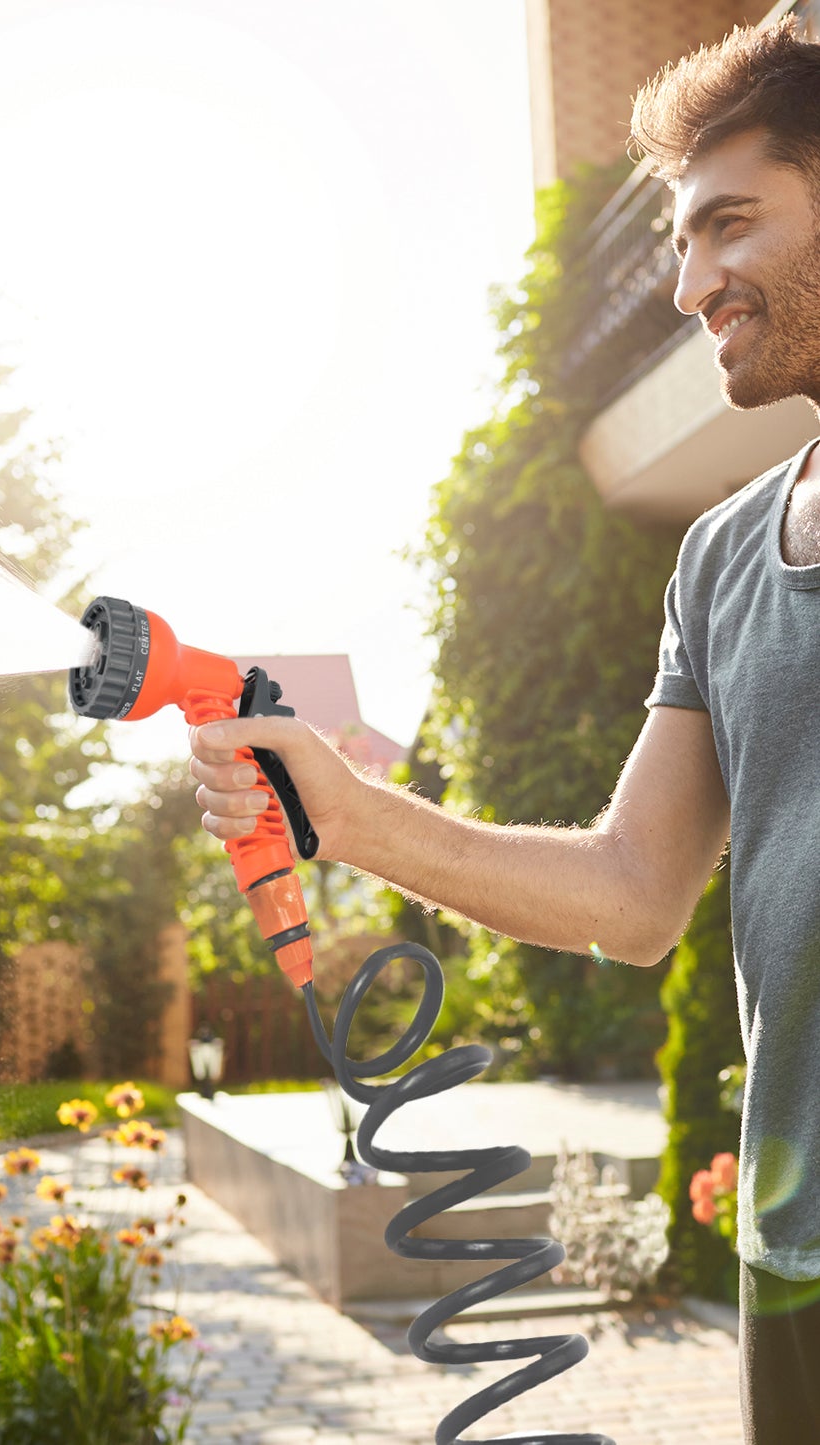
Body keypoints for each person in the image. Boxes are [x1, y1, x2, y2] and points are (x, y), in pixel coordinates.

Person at [187, 18, 820, 1445]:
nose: (688, 282)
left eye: (730, 223)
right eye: (675, 241)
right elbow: (629, 891)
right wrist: (339, 814)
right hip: (798, 1257)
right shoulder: (720, 559)